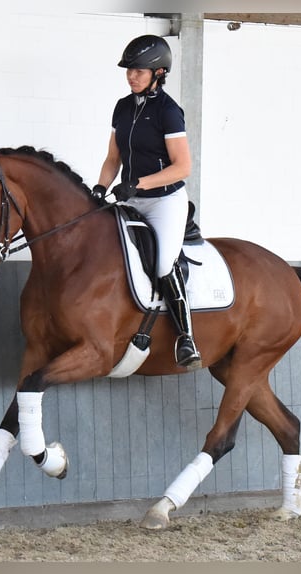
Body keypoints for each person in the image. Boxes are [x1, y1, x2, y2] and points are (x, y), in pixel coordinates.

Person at [93, 34, 202, 370]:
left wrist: (138, 183)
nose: (131, 76)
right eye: (129, 70)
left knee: (163, 264)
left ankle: (186, 337)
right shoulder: (123, 107)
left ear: (158, 72)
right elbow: (113, 158)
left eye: (138, 71)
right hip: (130, 197)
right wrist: (99, 187)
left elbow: (183, 167)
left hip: (164, 202)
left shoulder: (168, 112)